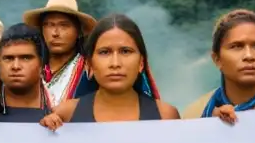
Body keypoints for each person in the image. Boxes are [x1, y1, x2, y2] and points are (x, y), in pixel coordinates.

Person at [40, 14, 179, 129]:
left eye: (125, 51)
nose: (115, 63)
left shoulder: (166, 116)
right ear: (89, 64)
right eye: (104, 52)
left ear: (141, 63)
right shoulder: (64, 115)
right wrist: (43, 129)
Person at [22, 0, 97, 106]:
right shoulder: (31, 68)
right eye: (49, 25)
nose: (55, 33)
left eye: (64, 25)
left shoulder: (89, 70)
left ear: (78, 32)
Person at [0, 23, 53, 123]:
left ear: (41, 63)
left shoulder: (60, 102)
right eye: (8, 58)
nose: (16, 66)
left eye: (26, 58)